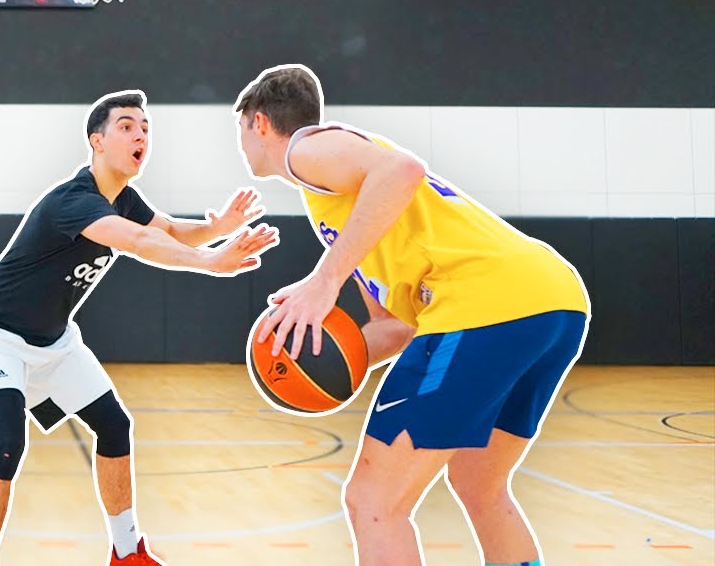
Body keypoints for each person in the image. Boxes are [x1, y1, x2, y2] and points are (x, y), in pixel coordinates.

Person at [233, 65, 588, 566]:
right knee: (479, 483)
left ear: (260, 123)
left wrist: (324, 282)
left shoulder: (304, 150)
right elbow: (395, 326)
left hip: (485, 304)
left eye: (240, 129)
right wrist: (324, 358)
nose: (240, 144)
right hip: (551, 303)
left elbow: (402, 170)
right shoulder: (339, 204)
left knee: (373, 502)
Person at [0, 90, 278, 566]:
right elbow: (138, 240)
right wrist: (210, 262)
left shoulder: (123, 199)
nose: (140, 136)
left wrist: (218, 229)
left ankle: (127, 553)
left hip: (54, 342)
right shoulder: (74, 201)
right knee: (7, 441)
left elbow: (167, 230)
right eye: (127, 126)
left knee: (115, 426)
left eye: (145, 128)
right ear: (98, 141)